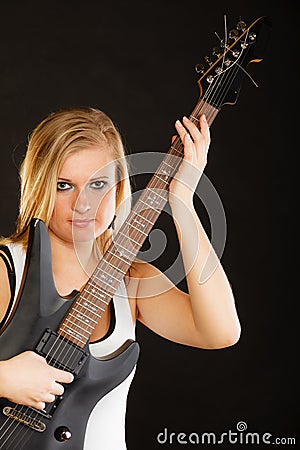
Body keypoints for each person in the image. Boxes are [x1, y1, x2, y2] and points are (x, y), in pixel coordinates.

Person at [0, 107, 240, 449]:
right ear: (40, 185)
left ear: (119, 187)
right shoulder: (7, 269)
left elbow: (221, 332)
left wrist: (182, 199)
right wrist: (3, 377)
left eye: (98, 184)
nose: (83, 205)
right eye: (64, 185)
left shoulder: (132, 279)